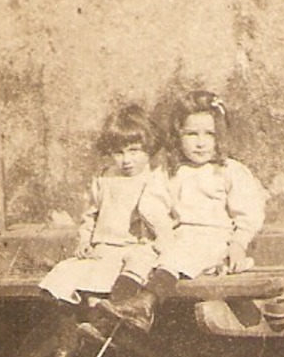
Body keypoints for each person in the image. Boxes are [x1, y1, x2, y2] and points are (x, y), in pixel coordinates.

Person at [93, 90, 268, 332]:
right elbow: (151, 203)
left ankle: (145, 307)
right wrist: (163, 231)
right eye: (191, 134)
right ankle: (114, 311)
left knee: (177, 257)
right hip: (177, 236)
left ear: (221, 136)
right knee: (141, 255)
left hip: (212, 240)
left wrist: (238, 244)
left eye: (209, 134)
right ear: (178, 136)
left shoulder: (228, 171)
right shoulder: (170, 171)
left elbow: (249, 214)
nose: (200, 142)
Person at [39, 103, 158, 306]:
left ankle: (105, 319)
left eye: (134, 151)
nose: (126, 160)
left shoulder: (154, 179)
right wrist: (85, 241)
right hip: (104, 247)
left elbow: (161, 220)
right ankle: (86, 318)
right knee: (70, 274)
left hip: (133, 247)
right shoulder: (104, 177)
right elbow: (90, 215)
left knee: (128, 273)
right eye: (118, 153)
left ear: (148, 148)